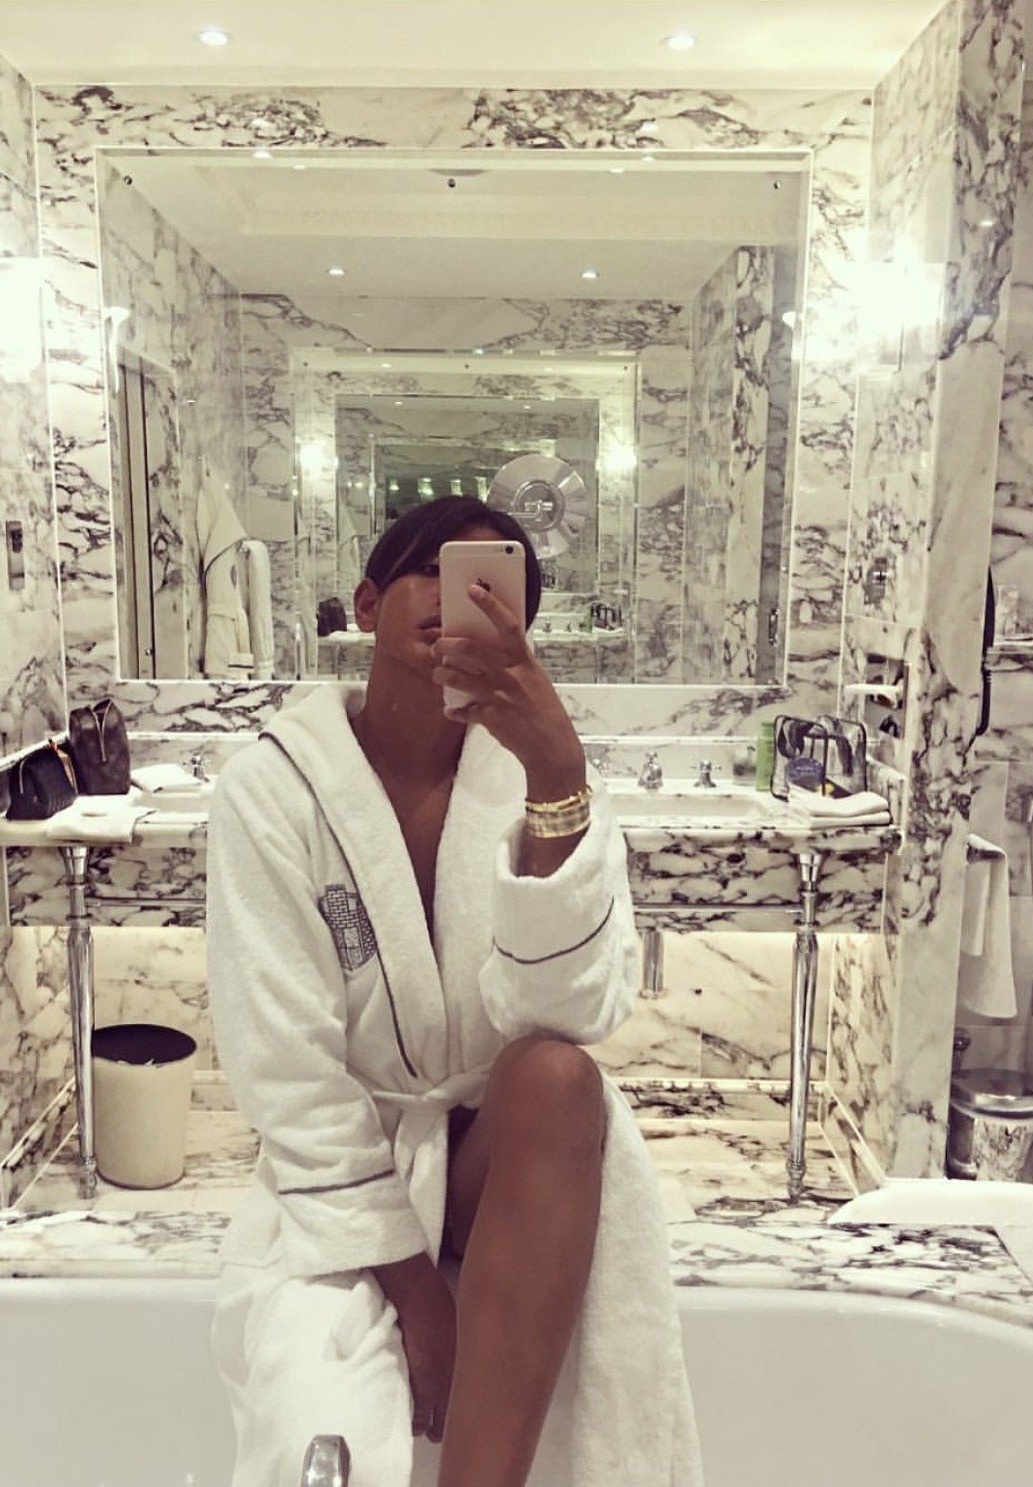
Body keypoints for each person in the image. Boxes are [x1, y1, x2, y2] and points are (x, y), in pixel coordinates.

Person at [207, 496, 701, 1487]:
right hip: (358, 1162)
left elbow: (571, 1014)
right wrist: (418, 1294)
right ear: (366, 603)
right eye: (431, 569)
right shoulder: (272, 790)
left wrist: (556, 773)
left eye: (490, 583)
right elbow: (288, 1070)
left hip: (506, 1162)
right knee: (316, 1410)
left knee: (560, 1076)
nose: (457, 596)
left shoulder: (536, 776)